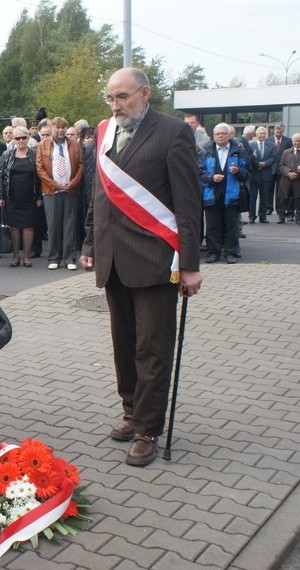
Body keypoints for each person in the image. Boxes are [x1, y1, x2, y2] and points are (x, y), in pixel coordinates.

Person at [81, 67, 203, 467]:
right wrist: (89, 242)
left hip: (155, 259)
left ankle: (149, 428)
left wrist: (189, 264)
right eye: (110, 98)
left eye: (122, 97)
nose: (115, 106)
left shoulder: (172, 132)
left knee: (153, 348)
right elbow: (98, 192)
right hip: (113, 257)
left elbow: (187, 203)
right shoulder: (104, 132)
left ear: (144, 93)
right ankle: (131, 412)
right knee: (124, 346)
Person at [36, 116, 84, 270]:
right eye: (58, 127)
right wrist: (54, 184)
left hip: (71, 189)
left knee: (70, 224)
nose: (61, 130)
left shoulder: (75, 145)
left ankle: (69, 258)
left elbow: (82, 166)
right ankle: (54, 257)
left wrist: (73, 183)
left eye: (63, 127)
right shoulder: (43, 145)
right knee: (53, 224)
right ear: (52, 129)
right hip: (51, 191)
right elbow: (40, 168)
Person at [199, 123, 249, 264]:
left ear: (229, 135)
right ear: (213, 136)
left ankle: (230, 252)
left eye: (223, 133)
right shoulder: (205, 152)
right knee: (212, 226)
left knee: (231, 227)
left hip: (231, 195)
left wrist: (238, 171)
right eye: (218, 134)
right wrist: (211, 177)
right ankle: (213, 252)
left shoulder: (239, 151)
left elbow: (247, 174)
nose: (220, 136)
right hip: (211, 194)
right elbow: (199, 172)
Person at [0, 126, 41, 267]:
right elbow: (1, 176)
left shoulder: (35, 154)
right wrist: (0, 196)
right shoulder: (7, 155)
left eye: (23, 137)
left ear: (28, 138)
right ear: (14, 140)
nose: (21, 140)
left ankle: (27, 257)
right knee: (14, 227)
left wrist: (40, 196)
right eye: (18, 138)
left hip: (30, 196)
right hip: (12, 196)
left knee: (28, 227)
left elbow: (40, 177)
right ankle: (15, 256)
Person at [249, 127, 277, 224]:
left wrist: (264, 164)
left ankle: (263, 216)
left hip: (266, 175)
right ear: (256, 134)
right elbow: (249, 158)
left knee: (264, 197)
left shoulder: (271, 146)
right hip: (254, 175)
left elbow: (274, 158)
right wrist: (258, 164)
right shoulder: (251, 145)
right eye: (260, 133)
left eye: (264, 133)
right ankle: (251, 216)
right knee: (252, 197)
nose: (262, 135)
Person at [276, 133, 300, 224]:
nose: (297, 143)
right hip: (286, 179)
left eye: (299, 141)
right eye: (295, 141)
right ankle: (281, 217)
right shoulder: (286, 152)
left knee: (298, 199)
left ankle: (298, 218)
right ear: (292, 141)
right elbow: (281, 165)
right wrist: (288, 173)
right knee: (283, 198)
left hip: (298, 180)